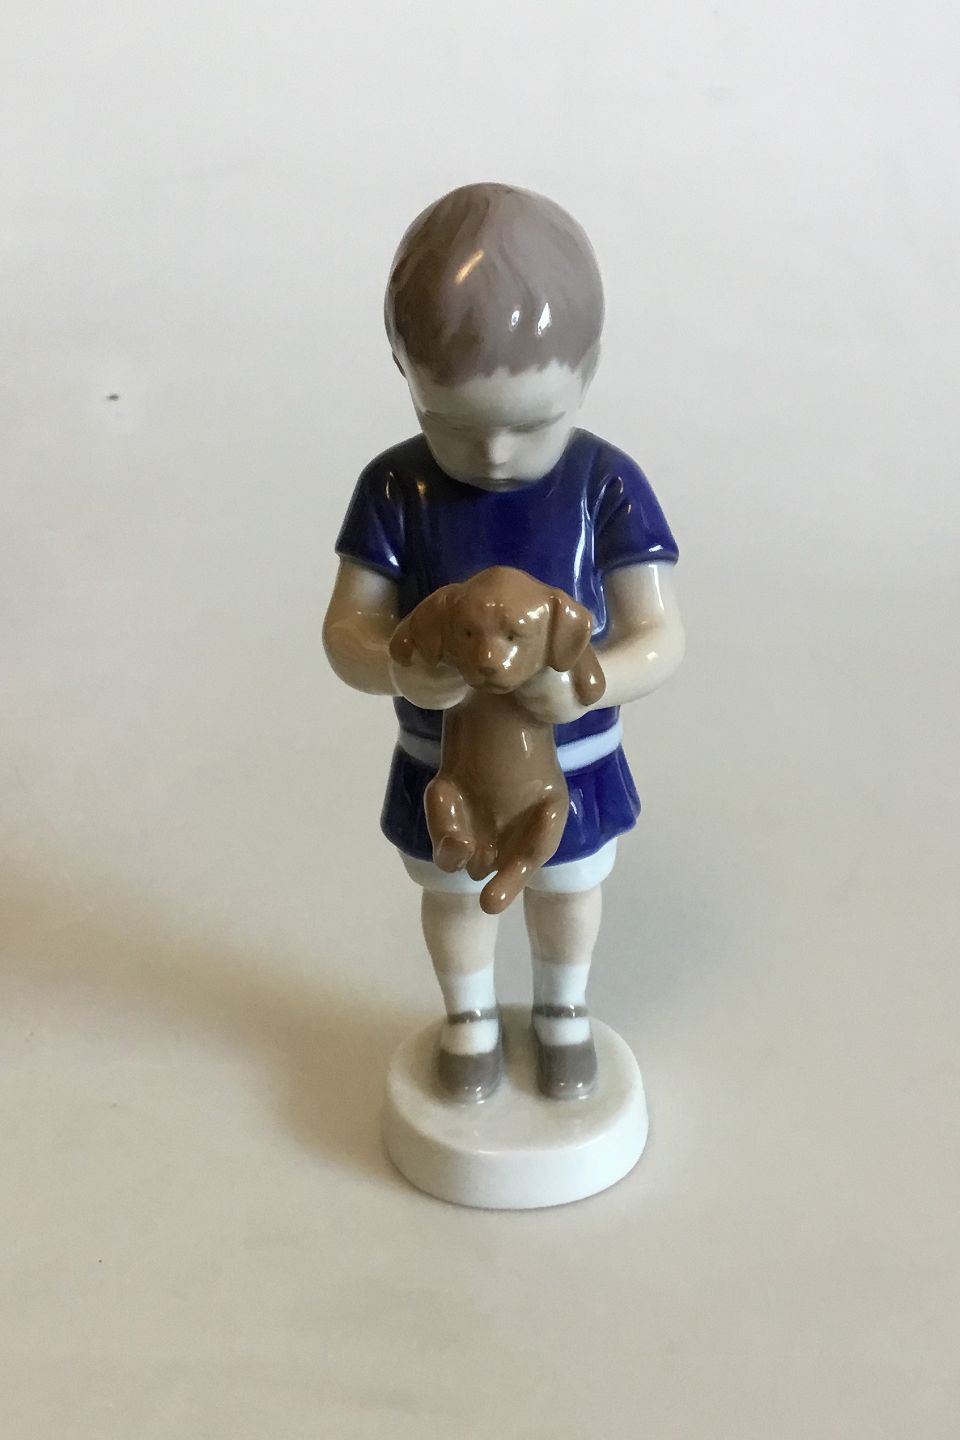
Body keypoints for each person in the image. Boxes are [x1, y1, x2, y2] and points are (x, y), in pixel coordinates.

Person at [323, 182, 684, 1104]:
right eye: (449, 422)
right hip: (440, 761)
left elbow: (660, 635)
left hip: (574, 758)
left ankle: (564, 1012)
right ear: (404, 372)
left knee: (569, 886)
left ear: (588, 371)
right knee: (452, 892)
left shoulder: (604, 484)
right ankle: (469, 1021)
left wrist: (592, 685)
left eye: (531, 423)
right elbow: (346, 629)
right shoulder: (396, 490)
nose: (491, 456)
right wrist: (399, 667)